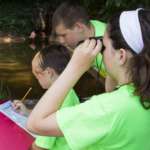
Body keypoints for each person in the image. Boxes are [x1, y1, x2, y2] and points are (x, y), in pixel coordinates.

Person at [27, 8, 150, 150]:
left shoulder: (106, 110)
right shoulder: (141, 93)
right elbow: (111, 90)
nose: (100, 53)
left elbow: (35, 124)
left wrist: (75, 67)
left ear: (121, 56)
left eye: (103, 47)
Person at [13, 43, 79, 150]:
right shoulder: (67, 91)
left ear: (49, 73)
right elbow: (45, 118)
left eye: (37, 73)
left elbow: (40, 147)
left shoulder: (57, 99)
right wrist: (27, 112)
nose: (36, 78)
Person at [51, 2, 107, 77]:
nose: (61, 41)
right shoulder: (89, 31)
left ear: (79, 27)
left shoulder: (109, 44)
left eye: (64, 35)